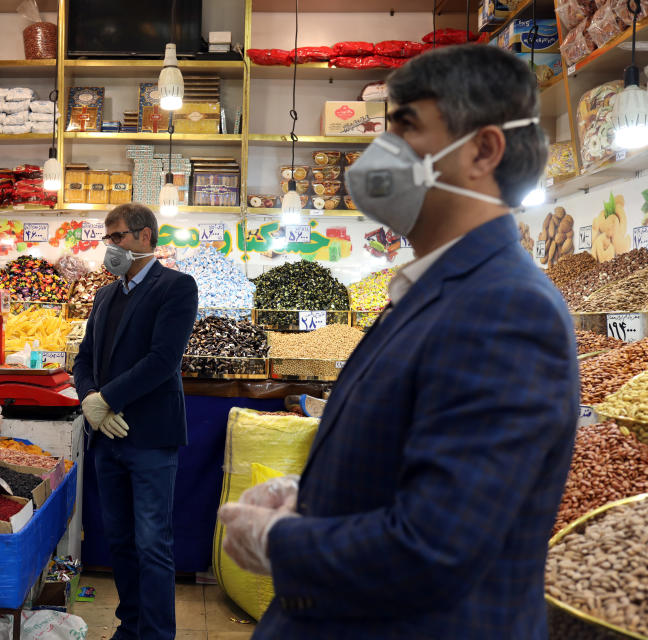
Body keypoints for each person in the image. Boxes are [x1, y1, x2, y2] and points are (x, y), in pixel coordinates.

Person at [218, 45, 578, 639]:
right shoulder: (428, 287)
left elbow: (435, 549)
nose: (378, 154)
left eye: (407, 125)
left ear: (483, 151)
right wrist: (318, 496)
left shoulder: (505, 308)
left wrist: (284, 541)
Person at [72, 203, 198, 640]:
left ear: (145, 237)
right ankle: (130, 628)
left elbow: (163, 360)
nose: (111, 247)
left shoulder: (176, 287)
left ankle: (157, 635)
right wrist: (89, 397)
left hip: (149, 437)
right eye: (107, 239)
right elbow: (84, 357)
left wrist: (106, 399)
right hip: (107, 440)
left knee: (152, 545)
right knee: (121, 542)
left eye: (118, 237)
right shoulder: (106, 294)